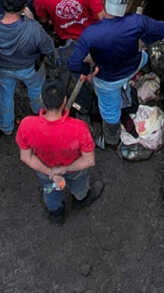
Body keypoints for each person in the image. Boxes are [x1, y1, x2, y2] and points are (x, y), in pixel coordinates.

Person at [67, 0, 164, 147]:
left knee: (110, 112)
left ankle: (111, 140)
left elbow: (73, 64)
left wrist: (88, 69)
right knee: (144, 56)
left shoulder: (91, 33)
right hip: (134, 66)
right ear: (128, 2)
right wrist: (143, 41)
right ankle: (135, 80)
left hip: (107, 80)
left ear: (103, 1)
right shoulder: (138, 22)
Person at [16, 83, 102, 224]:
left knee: (50, 190)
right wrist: (64, 169)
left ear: (42, 101)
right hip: (73, 168)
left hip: (45, 170)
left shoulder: (27, 125)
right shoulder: (79, 128)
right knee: (79, 185)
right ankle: (81, 199)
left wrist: (51, 172)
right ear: (64, 101)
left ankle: (56, 213)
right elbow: (89, 161)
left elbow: (26, 157)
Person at [0, 0, 57, 135]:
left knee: (5, 95)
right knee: (36, 92)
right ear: (24, 6)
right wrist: (32, 21)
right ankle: (40, 114)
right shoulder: (33, 29)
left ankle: (6, 127)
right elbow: (48, 48)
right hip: (30, 69)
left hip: (2, 67)